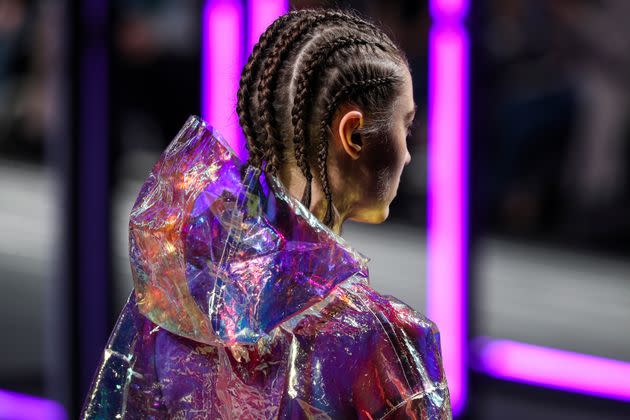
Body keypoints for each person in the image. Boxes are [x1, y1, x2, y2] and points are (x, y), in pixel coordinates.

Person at [82, 8, 451, 419]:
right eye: (407, 126)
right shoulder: (385, 343)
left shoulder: (169, 301)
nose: (407, 154)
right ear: (355, 134)